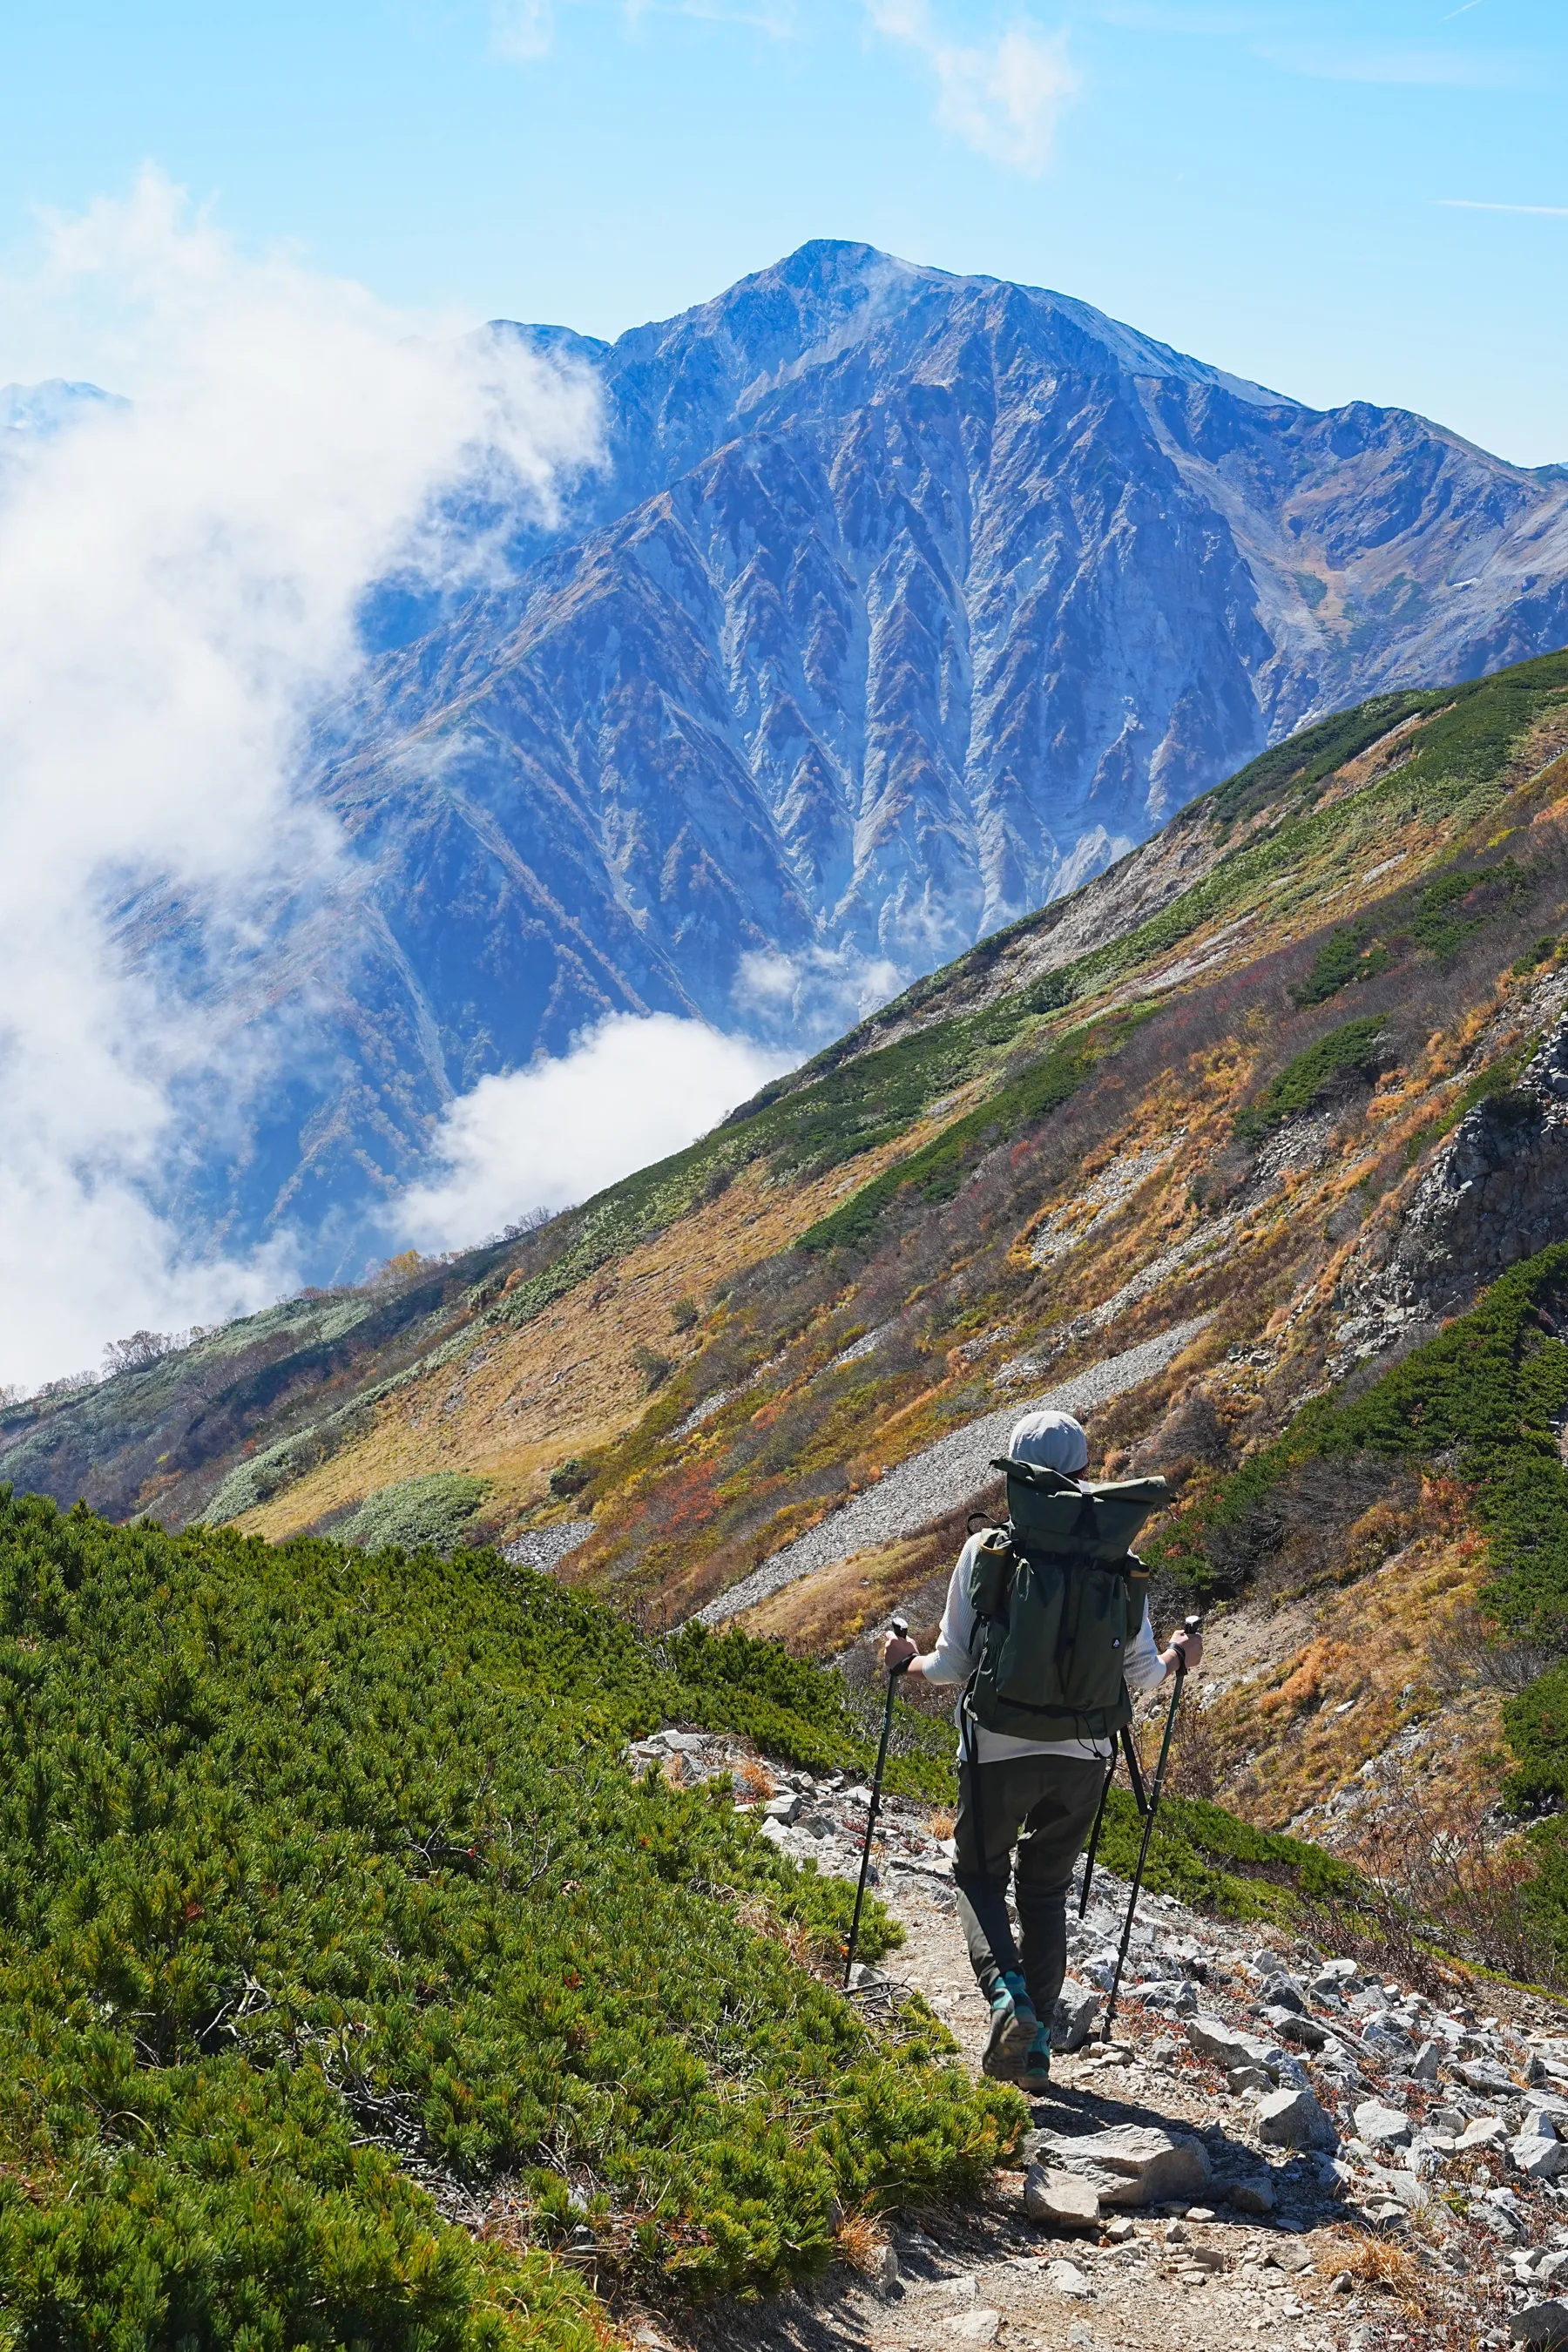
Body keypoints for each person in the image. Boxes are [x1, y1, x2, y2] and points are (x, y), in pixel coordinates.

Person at [883, 1407, 1201, 2092]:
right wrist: (1179, 1652)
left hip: (998, 1743)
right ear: (1086, 1476)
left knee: (977, 1875)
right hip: (1086, 1753)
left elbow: (950, 1666)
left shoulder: (989, 1551)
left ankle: (1009, 2002)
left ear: (1018, 1483)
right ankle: (1033, 2057)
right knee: (1046, 1888)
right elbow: (1143, 1675)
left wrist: (902, 1664)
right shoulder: (1120, 1561)